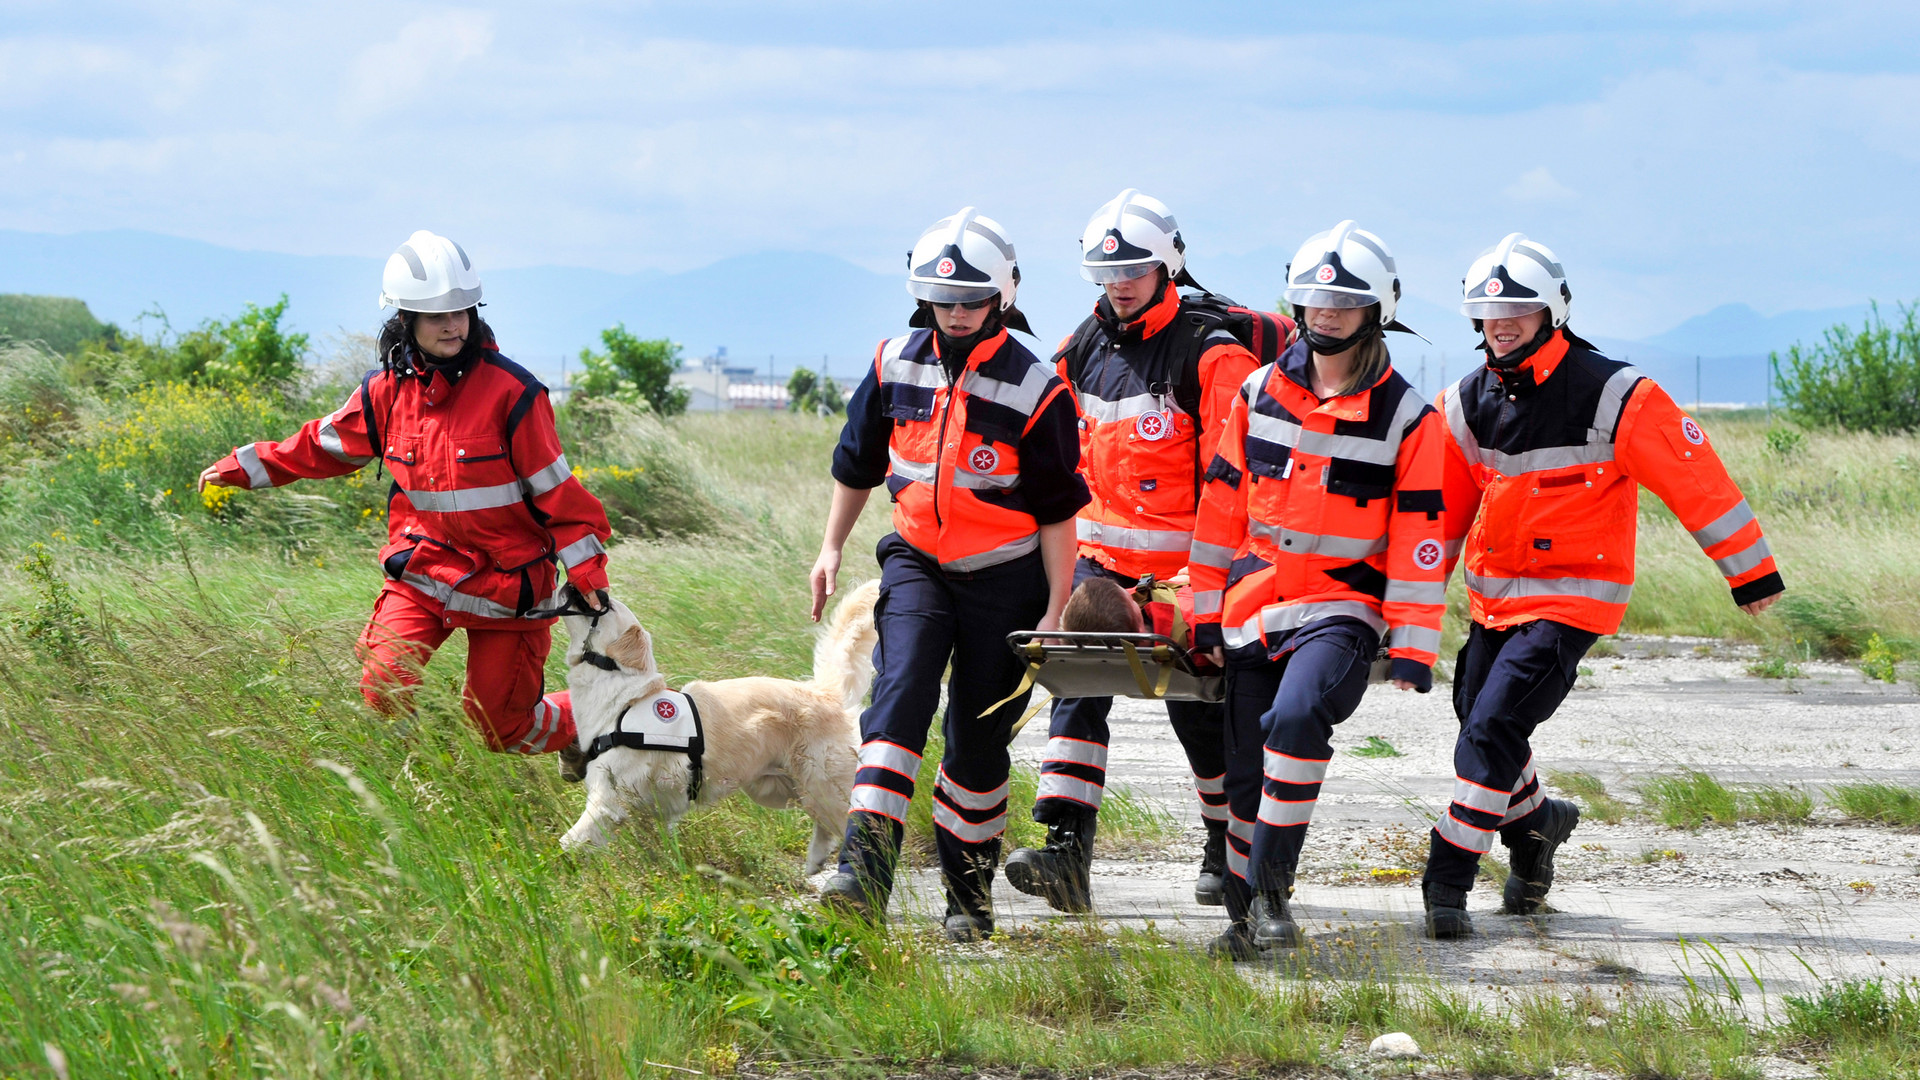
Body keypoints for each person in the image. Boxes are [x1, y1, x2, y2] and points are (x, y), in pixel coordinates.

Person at [1424, 233, 1784, 938]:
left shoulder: (1617, 393)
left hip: (1572, 601)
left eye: (1518, 312)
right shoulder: (1465, 401)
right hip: (1494, 600)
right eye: (1489, 313)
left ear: (1552, 311)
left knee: (1495, 726)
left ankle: (1448, 877)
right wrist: (1401, 601)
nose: (1502, 324)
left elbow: (1696, 482)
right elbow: (1441, 511)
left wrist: (1750, 573)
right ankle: (1536, 830)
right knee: (1478, 720)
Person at [198, 231, 612, 774]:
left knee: (501, 727)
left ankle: (593, 726)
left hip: (509, 586)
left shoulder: (515, 393)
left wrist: (590, 580)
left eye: (462, 311)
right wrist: (237, 469)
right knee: (384, 682)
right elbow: (320, 447)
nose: (452, 325)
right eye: (436, 315)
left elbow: (559, 494)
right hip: (426, 569)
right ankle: (416, 783)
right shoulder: (385, 392)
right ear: (404, 322)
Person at [811, 208, 1088, 942]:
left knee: (975, 740)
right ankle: (861, 874)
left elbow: (1060, 513)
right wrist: (830, 549)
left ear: (1002, 296)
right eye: (944, 301)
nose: (957, 314)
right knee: (898, 699)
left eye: (971, 300)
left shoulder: (1038, 387)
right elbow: (856, 464)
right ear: (921, 297)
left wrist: (1057, 608)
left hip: (1008, 579)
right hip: (916, 562)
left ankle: (968, 898)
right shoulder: (891, 362)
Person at [1188, 221, 1448, 958]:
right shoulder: (1256, 392)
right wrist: (1205, 610)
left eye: (1343, 302)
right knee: (1243, 780)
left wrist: (1415, 645)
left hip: (1342, 610)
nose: (1326, 314)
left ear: (1377, 311)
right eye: (1312, 301)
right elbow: (1220, 510)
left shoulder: (1407, 418)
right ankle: (1244, 925)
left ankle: (1274, 894)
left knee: (1298, 719)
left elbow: (1421, 540)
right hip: (1252, 609)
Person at [1004, 190, 1261, 914]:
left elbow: (1234, 482)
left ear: (1168, 265)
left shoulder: (1212, 358)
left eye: (1136, 269)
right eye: (1107, 271)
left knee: (1199, 716)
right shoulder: (1077, 351)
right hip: (1097, 565)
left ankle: (1221, 838)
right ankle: (1066, 853)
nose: (1119, 282)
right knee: (1075, 681)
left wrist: (1207, 584)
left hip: (1189, 574)